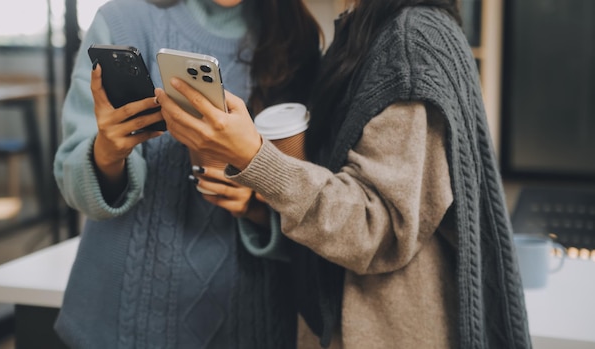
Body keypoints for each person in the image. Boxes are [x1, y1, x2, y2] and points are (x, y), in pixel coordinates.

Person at [155, 0, 533, 348]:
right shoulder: (364, 33)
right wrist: (261, 204)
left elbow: (376, 226)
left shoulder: (411, 42)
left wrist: (254, 156)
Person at [52, 0, 321, 347]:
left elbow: (317, 208)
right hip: (118, 324)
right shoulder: (122, 22)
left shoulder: (296, 40)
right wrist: (108, 150)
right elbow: (72, 181)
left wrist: (254, 203)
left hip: (248, 325)